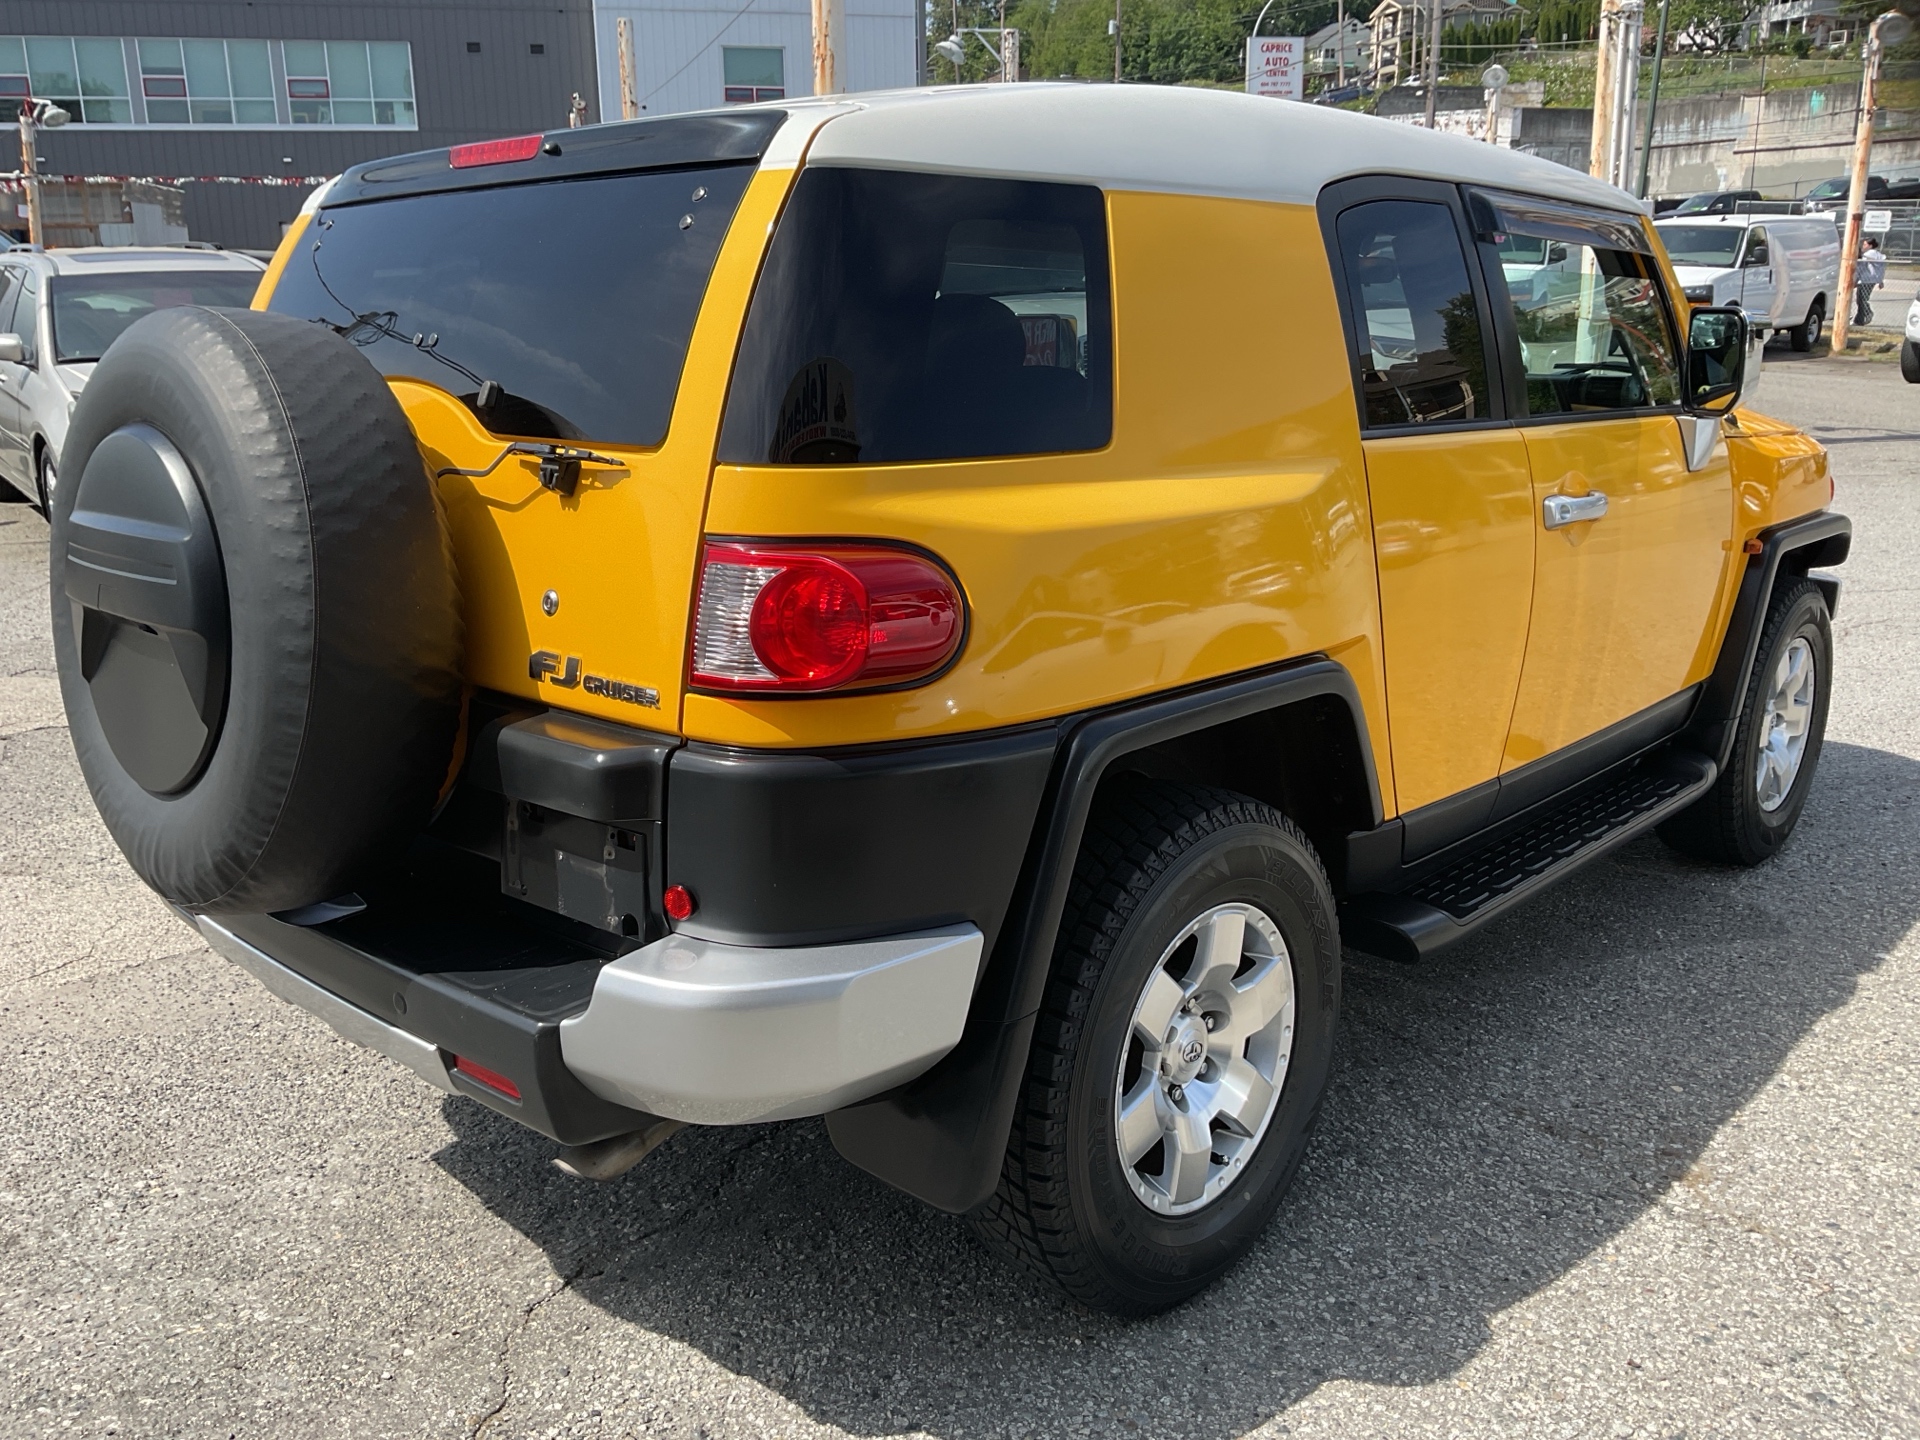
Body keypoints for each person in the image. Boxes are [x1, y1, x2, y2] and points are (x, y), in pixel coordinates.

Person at [1855, 237, 1886, 326]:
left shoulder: (1869, 254)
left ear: (1870, 246)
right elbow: (1880, 270)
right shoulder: (1875, 255)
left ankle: (1866, 314)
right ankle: (1859, 319)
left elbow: (1862, 264)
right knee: (1861, 299)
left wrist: (1856, 279)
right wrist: (1880, 280)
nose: (1863, 246)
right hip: (1868, 280)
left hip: (1867, 280)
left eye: (1865, 244)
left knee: (1862, 299)